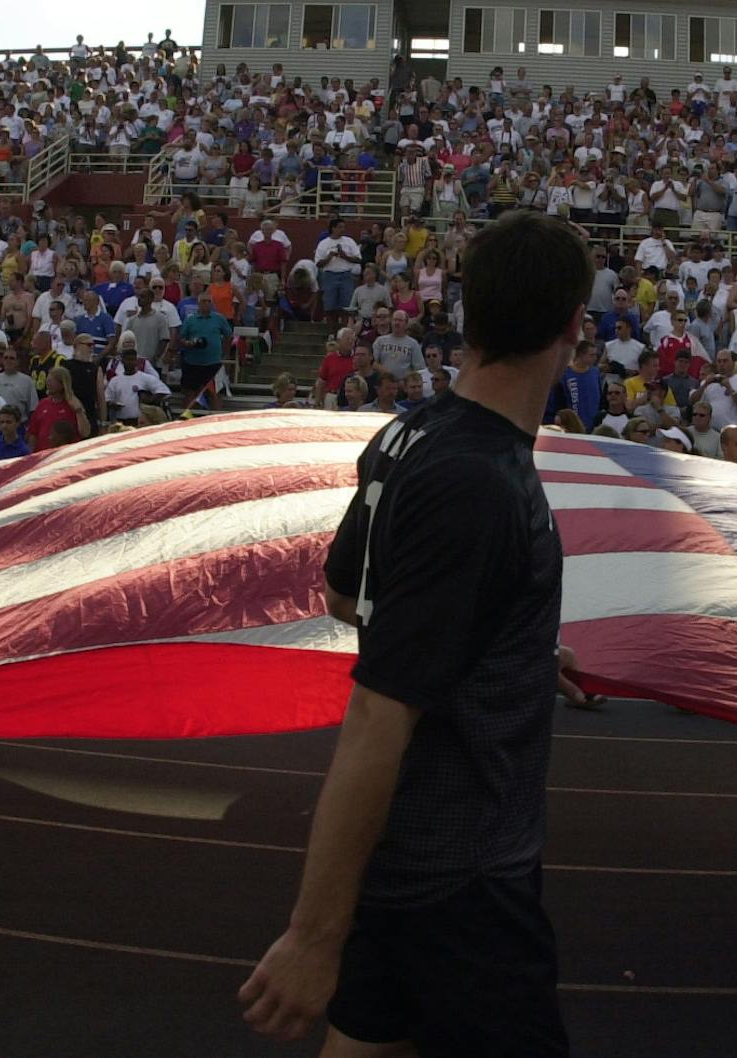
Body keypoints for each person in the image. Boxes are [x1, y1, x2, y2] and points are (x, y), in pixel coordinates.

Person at [240, 210, 582, 1057]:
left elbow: (344, 595)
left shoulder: (407, 432)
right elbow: (376, 713)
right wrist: (312, 935)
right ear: (575, 326)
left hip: (408, 867)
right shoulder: (482, 481)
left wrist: (504, 644)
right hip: (462, 881)